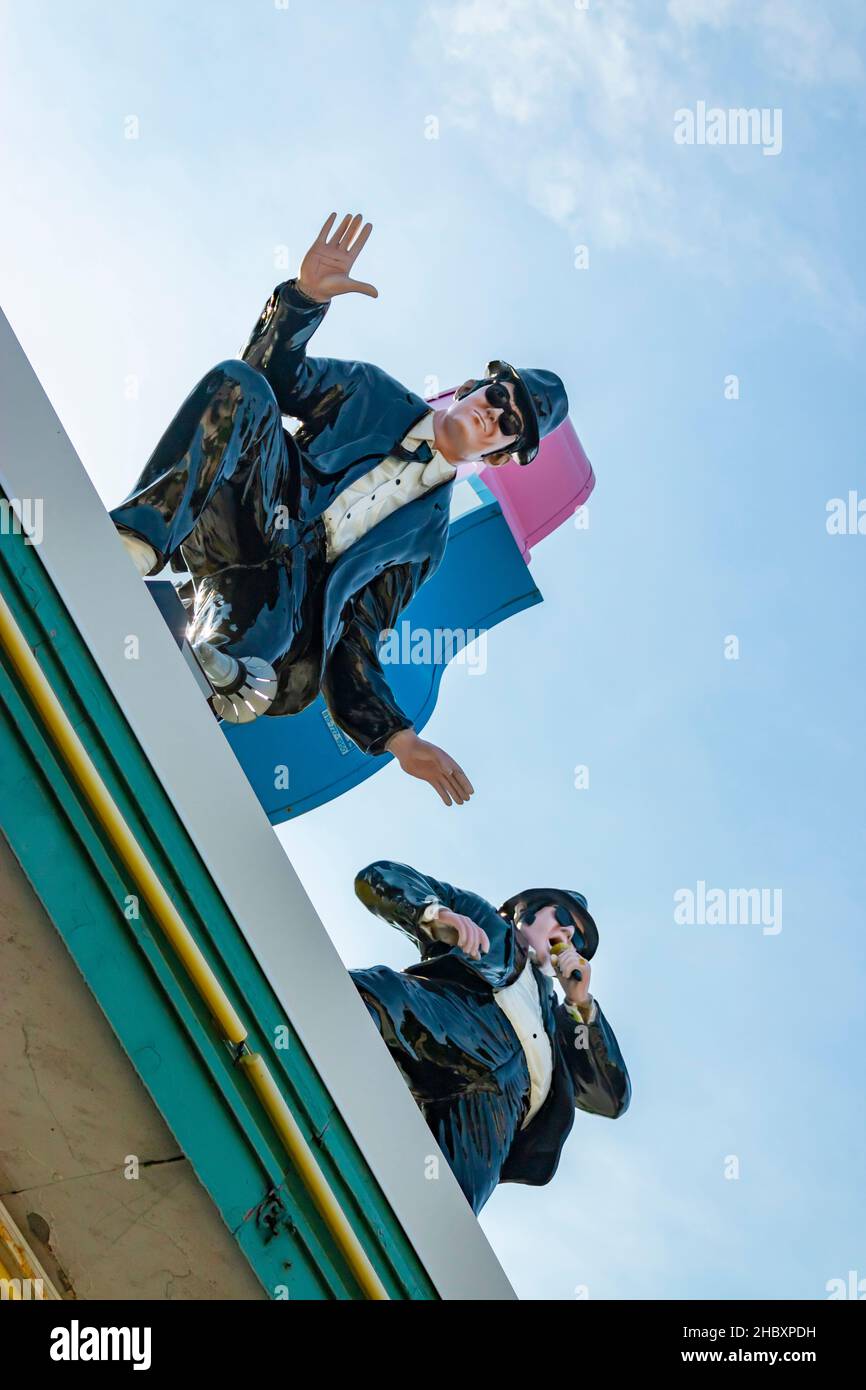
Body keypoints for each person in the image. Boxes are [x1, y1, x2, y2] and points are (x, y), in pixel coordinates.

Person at [109, 212, 569, 807]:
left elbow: (356, 632)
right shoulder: (372, 391)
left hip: (285, 599)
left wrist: (396, 737)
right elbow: (274, 374)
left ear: (505, 455)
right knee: (240, 384)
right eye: (497, 396)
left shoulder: (426, 539)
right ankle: (135, 544)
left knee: (243, 650)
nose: (494, 414)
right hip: (256, 510)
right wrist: (302, 301)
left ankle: (216, 674)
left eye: (509, 425)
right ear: (468, 388)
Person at [351, 859, 631, 1213]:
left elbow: (611, 1098)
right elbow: (380, 878)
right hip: (453, 1025)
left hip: (497, 1107)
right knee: (384, 994)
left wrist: (580, 1002)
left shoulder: (560, 1024)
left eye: (578, 939)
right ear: (525, 912)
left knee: (447, 1203)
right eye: (561, 915)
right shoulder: (487, 923)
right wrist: (435, 916)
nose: (568, 934)